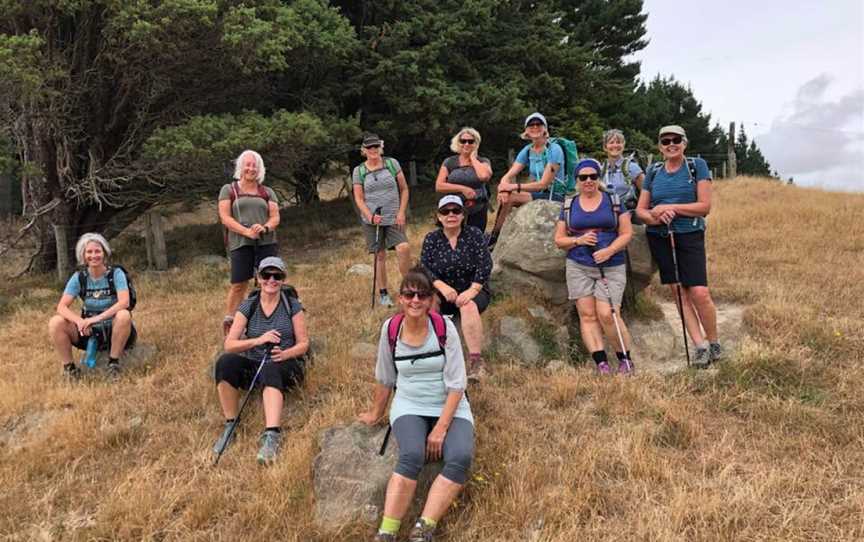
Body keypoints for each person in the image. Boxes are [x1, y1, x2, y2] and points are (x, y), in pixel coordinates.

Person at [358, 266, 474, 542]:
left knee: (460, 457)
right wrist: (376, 413)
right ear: (400, 299)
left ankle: (424, 527)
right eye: (409, 295)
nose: (415, 301)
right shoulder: (391, 329)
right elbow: (385, 377)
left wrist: (440, 428)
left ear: (431, 299)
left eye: (422, 295)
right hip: (410, 404)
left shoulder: (445, 328)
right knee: (411, 455)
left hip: (450, 404)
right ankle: (387, 531)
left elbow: (458, 383)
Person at [635, 125, 721, 368]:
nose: (670, 144)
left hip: (690, 234)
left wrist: (671, 209)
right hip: (660, 236)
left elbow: (705, 206)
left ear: (685, 143)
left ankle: (714, 341)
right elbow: (642, 210)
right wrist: (654, 216)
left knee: (699, 292)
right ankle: (700, 346)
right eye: (665, 141)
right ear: (659, 146)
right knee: (678, 292)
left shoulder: (696, 166)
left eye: (676, 140)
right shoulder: (653, 170)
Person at [212, 257, 308, 464]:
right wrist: (258, 341)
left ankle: (272, 434)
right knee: (225, 363)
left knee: (271, 368)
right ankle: (231, 424)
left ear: (283, 279)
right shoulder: (248, 305)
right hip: (255, 364)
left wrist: (285, 354)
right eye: (266, 275)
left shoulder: (292, 305)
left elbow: (304, 344)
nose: (271, 280)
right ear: (258, 278)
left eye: (277, 276)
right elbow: (230, 344)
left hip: (285, 364)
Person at [554, 159, 634, 374]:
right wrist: (578, 241)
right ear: (577, 180)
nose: (588, 181)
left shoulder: (614, 201)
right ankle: (601, 363)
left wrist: (609, 250)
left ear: (598, 178)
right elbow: (559, 239)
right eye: (583, 177)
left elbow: (626, 233)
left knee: (608, 313)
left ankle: (625, 359)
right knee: (587, 315)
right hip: (578, 265)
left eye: (593, 176)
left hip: (612, 265)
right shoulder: (570, 204)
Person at [420, 195, 492, 382]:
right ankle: (430, 357)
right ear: (439, 216)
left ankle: (476, 362)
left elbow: (485, 265)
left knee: (468, 306)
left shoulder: (474, 235)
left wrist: (472, 291)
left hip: (473, 290)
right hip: (442, 292)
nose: (451, 215)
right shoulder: (431, 239)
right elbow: (425, 268)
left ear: (463, 215)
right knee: (427, 306)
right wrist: (442, 287)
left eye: (456, 211)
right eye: (445, 211)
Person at [49, 233, 136, 379]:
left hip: (114, 329)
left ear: (105, 253)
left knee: (124, 315)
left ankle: (113, 364)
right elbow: (61, 307)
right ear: (83, 255)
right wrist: (80, 321)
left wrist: (95, 319)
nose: (93, 255)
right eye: (89, 252)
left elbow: (124, 302)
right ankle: (70, 369)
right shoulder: (79, 277)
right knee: (55, 322)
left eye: (97, 251)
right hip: (89, 333)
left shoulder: (116, 273)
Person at [218, 149, 280, 336]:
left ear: (260, 169)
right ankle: (231, 324)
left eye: (255, 165)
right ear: (240, 167)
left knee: (269, 281)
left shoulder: (267, 192)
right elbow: (224, 217)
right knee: (239, 284)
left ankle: (269, 321)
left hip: (266, 242)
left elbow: (275, 217)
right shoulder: (229, 190)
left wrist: (265, 228)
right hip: (240, 243)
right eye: (248, 164)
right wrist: (246, 232)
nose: (251, 168)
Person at [352, 133, 412, 307]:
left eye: (376, 146)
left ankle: (409, 287)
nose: (373, 150)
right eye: (369, 147)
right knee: (380, 255)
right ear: (364, 150)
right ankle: (383, 293)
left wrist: (401, 213)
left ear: (381, 147)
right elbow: (359, 198)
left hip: (394, 216)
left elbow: (404, 189)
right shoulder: (359, 171)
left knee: (403, 248)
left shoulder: (392, 164)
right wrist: (370, 216)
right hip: (372, 220)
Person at [491, 112, 566, 242]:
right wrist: (503, 188)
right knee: (507, 196)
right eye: (531, 124)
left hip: (555, 195)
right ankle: (495, 237)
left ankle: (494, 238)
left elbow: (543, 184)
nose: (535, 127)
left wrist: (512, 187)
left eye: (539, 124)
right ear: (526, 130)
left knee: (511, 197)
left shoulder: (554, 149)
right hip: (539, 194)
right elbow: (508, 176)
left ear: (545, 129)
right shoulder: (527, 150)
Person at [434, 127, 493, 232]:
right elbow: (439, 185)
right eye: (463, 141)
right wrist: (463, 189)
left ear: (476, 144)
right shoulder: (449, 162)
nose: (466, 144)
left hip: (477, 207)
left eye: (471, 141)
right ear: (458, 143)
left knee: (475, 237)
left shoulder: (483, 161)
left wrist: (473, 158)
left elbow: (484, 176)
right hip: (453, 208)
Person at [600, 129, 644, 212]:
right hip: (607, 216)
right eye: (611, 142)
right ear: (605, 147)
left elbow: (646, 192)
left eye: (618, 142)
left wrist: (641, 212)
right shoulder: (601, 170)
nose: (615, 145)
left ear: (623, 145)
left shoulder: (632, 168)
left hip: (630, 216)